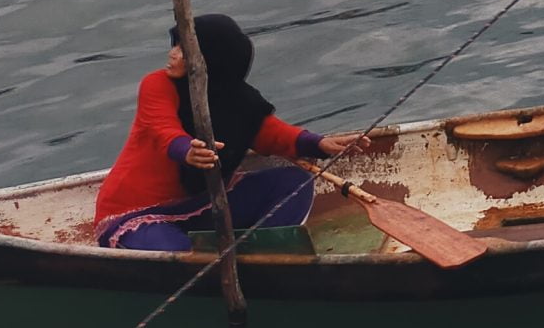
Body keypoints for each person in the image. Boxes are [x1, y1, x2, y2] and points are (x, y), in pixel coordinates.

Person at [91, 14, 371, 249]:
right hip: (138, 212)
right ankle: (217, 263)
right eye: (175, 45)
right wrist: (187, 150)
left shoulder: (240, 101)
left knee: (295, 182)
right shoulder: (156, 85)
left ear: (210, 59)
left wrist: (320, 144)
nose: (172, 53)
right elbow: (162, 128)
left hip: (206, 203)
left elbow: (271, 134)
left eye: (182, 48)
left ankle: (266, 255)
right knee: (183, 254)